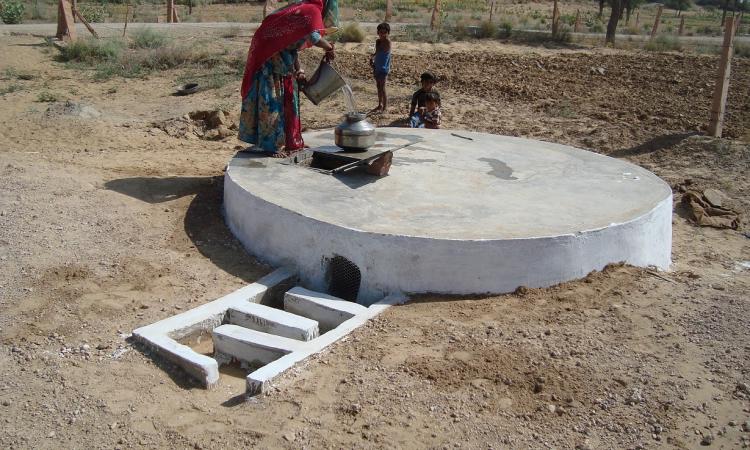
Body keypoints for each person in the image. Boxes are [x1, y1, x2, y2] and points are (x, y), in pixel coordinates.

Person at [239, 0, 339, 157]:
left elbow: (293, 44)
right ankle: (272, 147)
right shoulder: (310, 10)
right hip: (269, 60)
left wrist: (299, 69)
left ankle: (292, 141)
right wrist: (329, 47)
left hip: (284, 59)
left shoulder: (302, 8)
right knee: (272, 105)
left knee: (290, 101)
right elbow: (313, 37)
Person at [370, 22, 392, 113]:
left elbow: (385, 52)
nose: (382, 34)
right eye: (380, 32)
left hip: (384, 68)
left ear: (388, 33)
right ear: (378, 32)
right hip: (377, 67)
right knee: (378, 87)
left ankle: (385, 107)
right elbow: (377, 52)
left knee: (383, 87)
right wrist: (372, 58)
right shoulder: (378, 42)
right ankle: (380, 104)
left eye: (384, 32)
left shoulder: (387, 42)